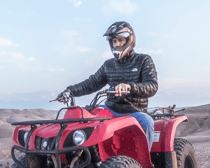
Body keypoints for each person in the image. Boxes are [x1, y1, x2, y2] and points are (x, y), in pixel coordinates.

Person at [57, 21, 158, 150]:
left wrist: (129, 87)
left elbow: (152, 86)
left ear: (129, 40)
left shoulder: (144, 60)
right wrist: (70, 90)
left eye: (120, 40)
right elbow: (92, 83)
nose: (116, 44)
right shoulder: (108, 65)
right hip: (110, 108)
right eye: (114, 41)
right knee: (84, 117)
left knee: (147, 122)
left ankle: (143, 167)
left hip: (134, 111)